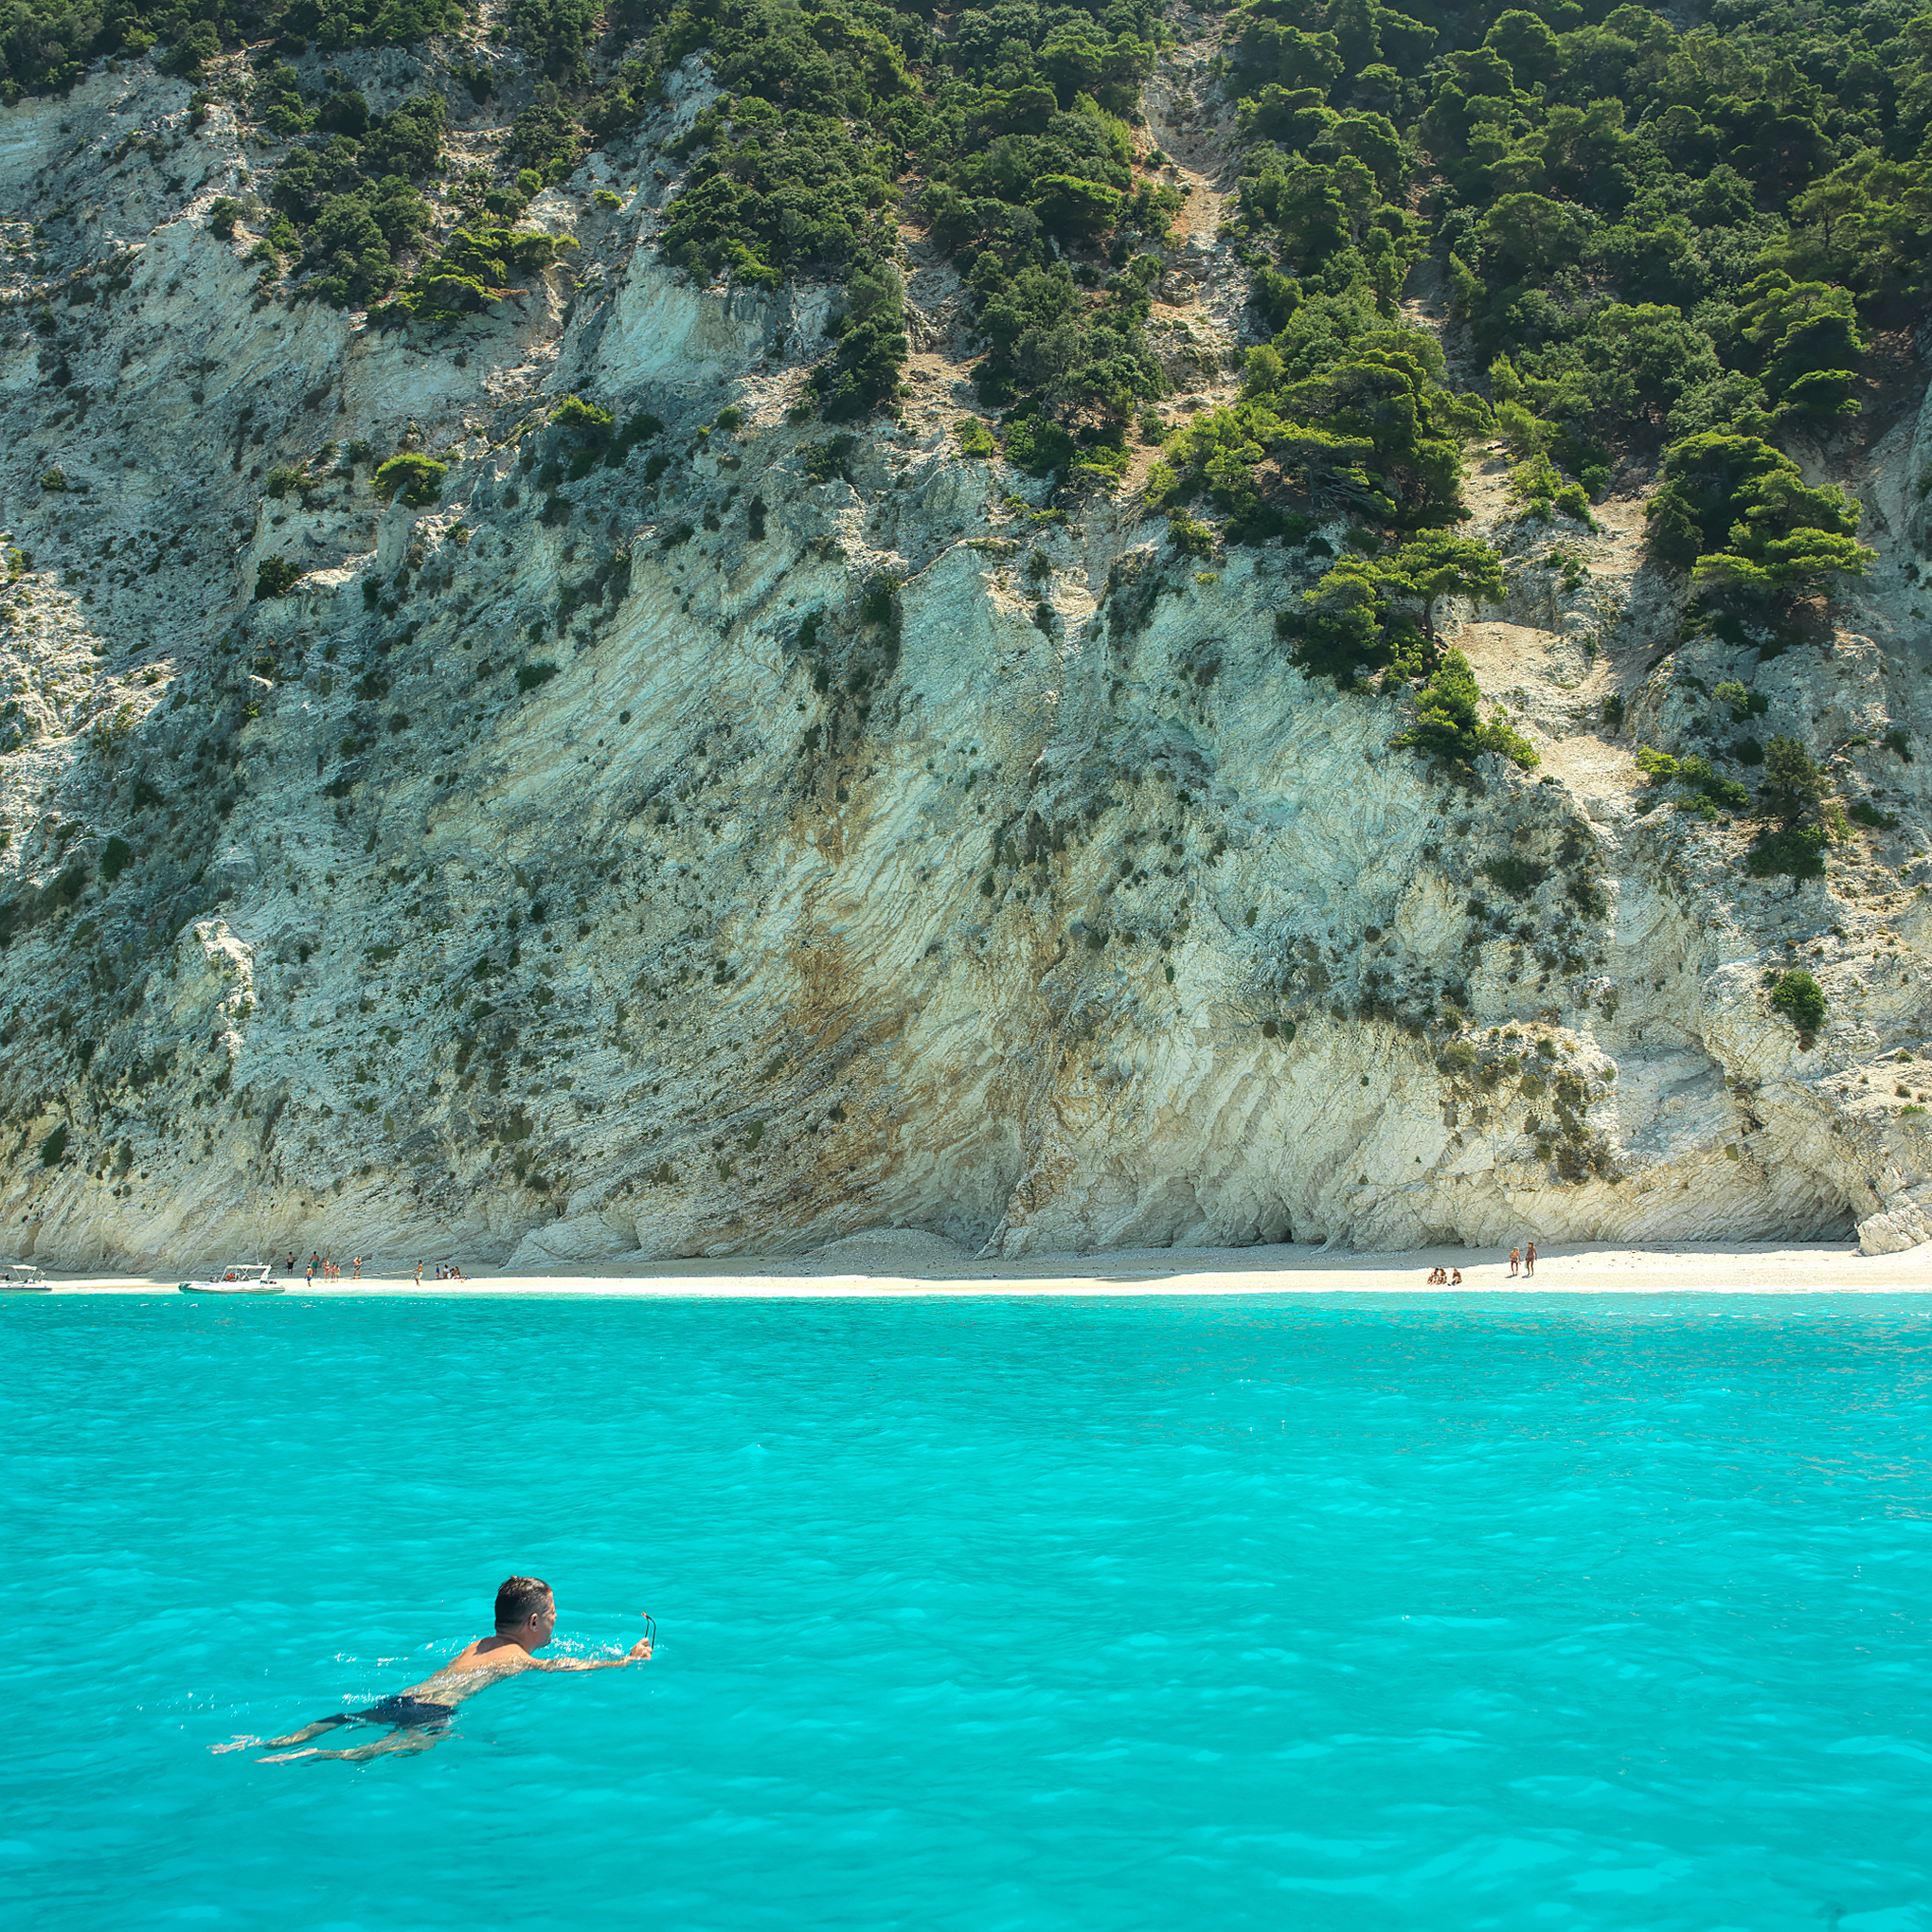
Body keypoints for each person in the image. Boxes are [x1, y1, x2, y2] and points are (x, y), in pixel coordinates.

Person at [249, 1577, 651, 1763]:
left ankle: (282, 1741)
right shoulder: (520, 1658)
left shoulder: (477, 1645)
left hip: (406, 1696)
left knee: (347, 1718)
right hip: (433, 1711)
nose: (555, 1620)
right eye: (551, 1614)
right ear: (533, 1623)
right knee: (411, 1746)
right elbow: (564, 1666)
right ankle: (320, 1755)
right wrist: (624, 1660)